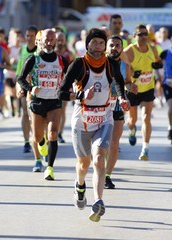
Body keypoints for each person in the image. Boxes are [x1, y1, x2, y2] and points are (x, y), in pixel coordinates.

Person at [58, 28, 130, 222]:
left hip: (104, 118)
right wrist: (81, 95)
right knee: (84, 164)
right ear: (87, 44)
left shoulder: (111, 64)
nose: (98, 47)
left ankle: (98, 201)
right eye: (94, 43)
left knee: (99, 159)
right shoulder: (78, 65)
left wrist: (122, 98)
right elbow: (61, 92)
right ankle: (80, 185)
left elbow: (119, 82)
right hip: (82, 120)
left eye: (101, 43)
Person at [17, 29, 68, 180]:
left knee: (53, 133)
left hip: (54, 101)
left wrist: (71, 88)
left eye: (52, 39)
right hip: (37, 101)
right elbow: (20, 78)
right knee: (38, 136)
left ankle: (50, 168)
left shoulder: (61, 60)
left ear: (55, 41)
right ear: (41, 40)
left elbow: (72, 76)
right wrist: (30, 88)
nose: (49, 42)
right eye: (47, 39)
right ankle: (41, 143)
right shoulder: (34, 59)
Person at [124, 24, 163, 160]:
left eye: (145, 34)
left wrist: (158, 65)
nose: (144, 36)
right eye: (140, 34)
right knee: (132, 120)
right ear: (135, 37)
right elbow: (125, 69)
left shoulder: (152, 49)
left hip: (148, 88)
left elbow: (158, 61)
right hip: (133, 89)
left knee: (146, 117)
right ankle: (132, 130)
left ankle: (145, 149)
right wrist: (134, 74)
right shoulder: (129, 50)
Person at [105, 36, 137, 189]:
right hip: (99, 107)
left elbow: (128, 83)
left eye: (118, 45)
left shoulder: (125, 66)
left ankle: (107, 175)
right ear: (106, 47)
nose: (114, 48)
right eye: (111, 45)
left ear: (122, 48)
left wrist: (132, 87)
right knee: (100, 143)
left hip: (117, 105)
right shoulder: (99, 63)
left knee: (114, 142)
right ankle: (100, 166)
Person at [16, 26, 38, 153]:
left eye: (32, 36)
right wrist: (18, 87)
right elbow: (19, 73)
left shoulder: (39, 51)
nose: (29, 38)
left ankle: (39, 138)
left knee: (35, 115)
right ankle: (26, 141)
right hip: (24, 86)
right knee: (25, 113)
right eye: (27, 35)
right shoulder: (22, 49)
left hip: (36, 87)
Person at [55, 31, 75, 143]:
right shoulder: (51, 53)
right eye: (58, 39)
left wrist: (72, 85)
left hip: (65, 86)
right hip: (52, 86)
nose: (60, 42)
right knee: (54, 109)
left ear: (65, 41)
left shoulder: (70, 54)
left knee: (62, 109)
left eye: (62, 40)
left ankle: (59, 133)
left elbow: (74, 71)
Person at [160, 33, 172, 144]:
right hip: (168, 84)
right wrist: (159, 76)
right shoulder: (165, 53)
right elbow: (156, 64)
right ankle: (170, 126)